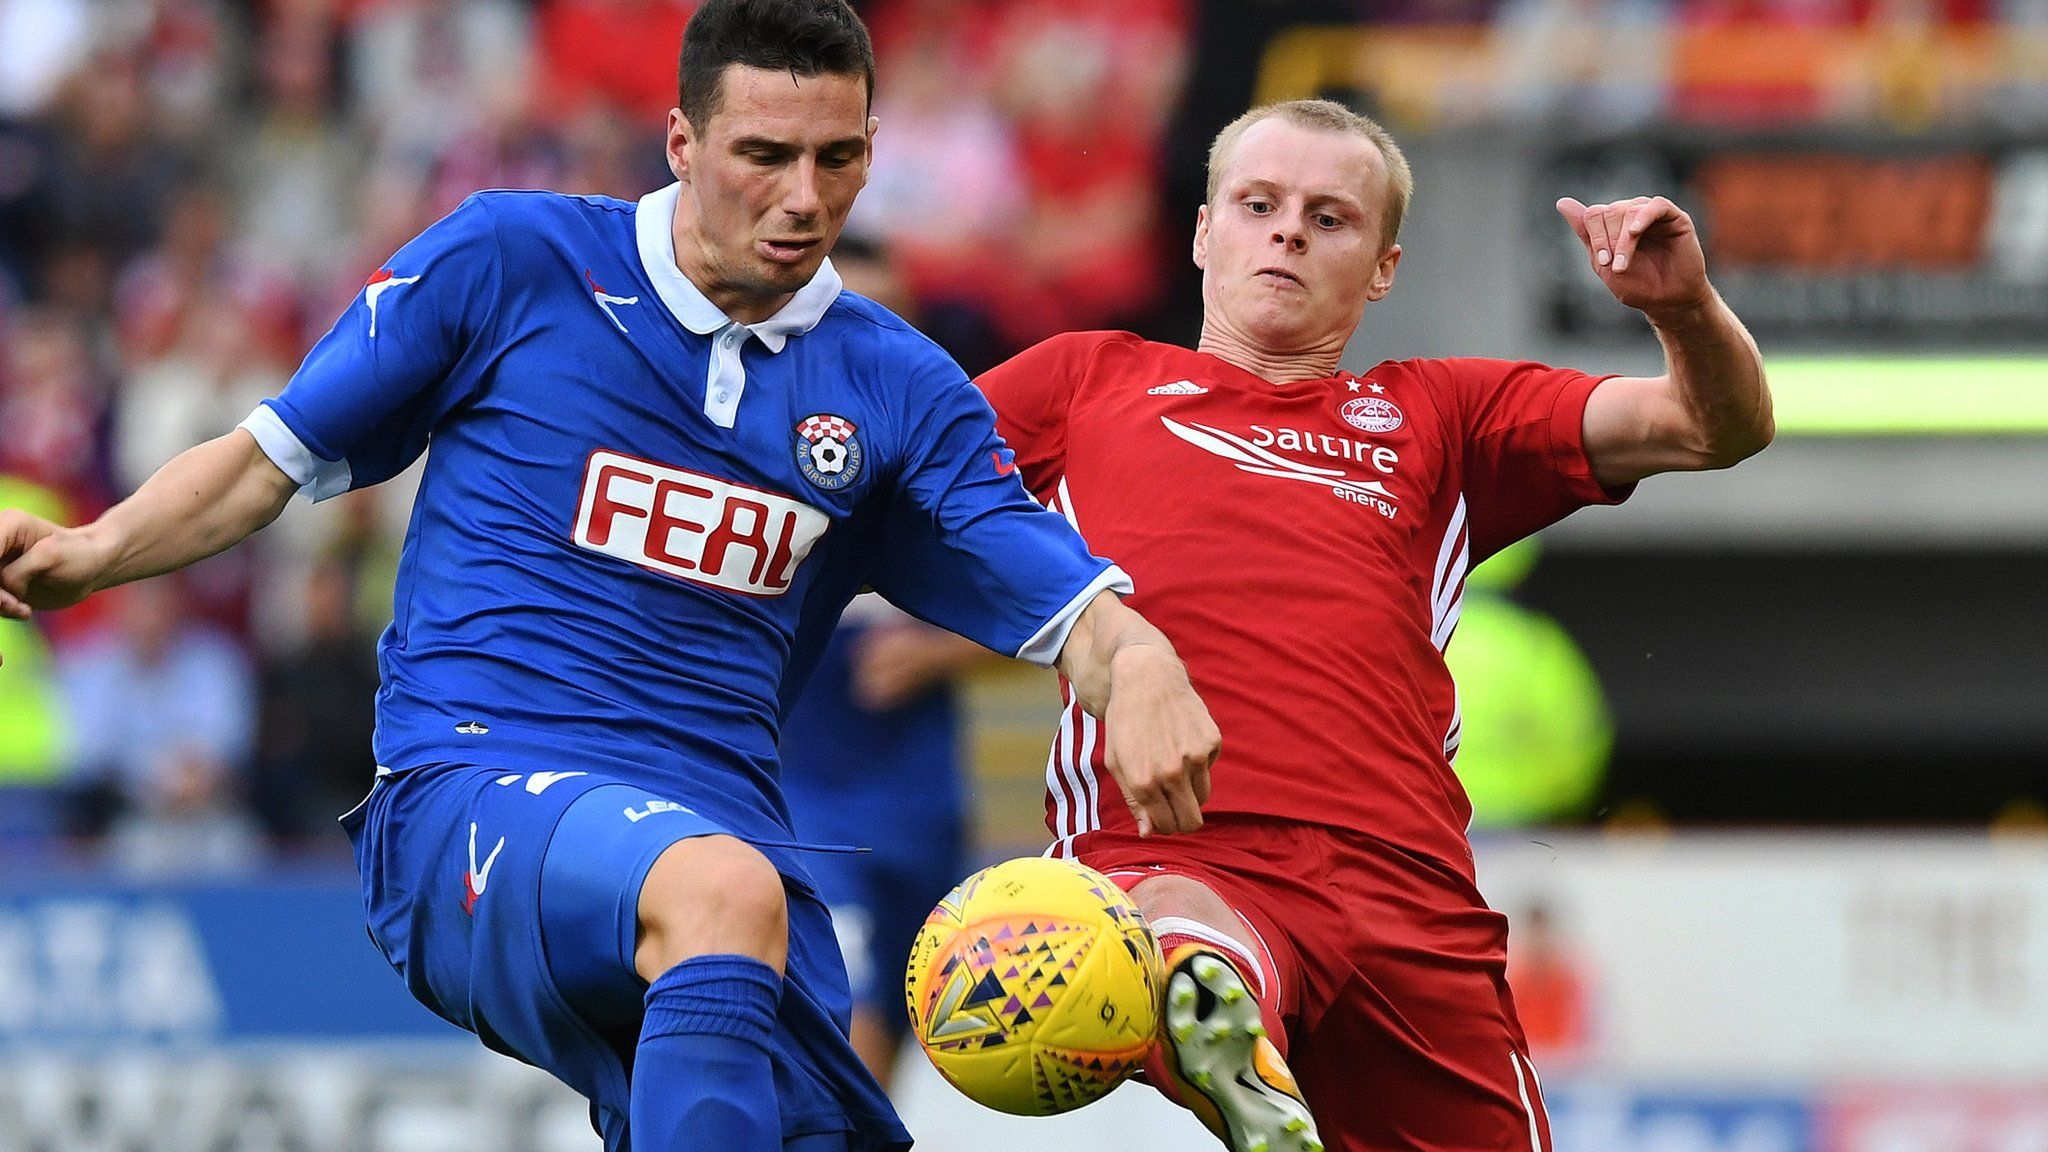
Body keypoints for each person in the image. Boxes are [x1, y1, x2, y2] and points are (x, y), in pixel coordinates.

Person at [0, 4, 1223, 1151]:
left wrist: (1143, 653)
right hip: (469, 793)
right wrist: (92, 552)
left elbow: (1061, 601)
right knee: (719, 890)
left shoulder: (899, 390)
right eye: (764, 153)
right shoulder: (512, 262)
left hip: (720, 848)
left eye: (838, 159)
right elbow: (269, 461)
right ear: (681, 141)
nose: (803, 198)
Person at [975, 98, 1771, 1152]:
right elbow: (906, 501)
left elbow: (1711, 429)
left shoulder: (1441, 416)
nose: (1288, 231)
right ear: (1205, 232)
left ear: (1383, 268)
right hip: (1187, 842)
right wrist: (1093, 636)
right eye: (1258, 205)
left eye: (1329, 217)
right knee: (1184, 919)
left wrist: (1681, 310)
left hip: (1411, 893)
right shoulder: (1082, 383)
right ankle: (1208, 1000)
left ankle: (1218, 1017)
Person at [777, 593, 989, 1088]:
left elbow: (1045, 625)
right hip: (808, 801)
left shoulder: (938, 521)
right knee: (849, 997)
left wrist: (935, 654)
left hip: (924, 809)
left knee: (900, 1006)